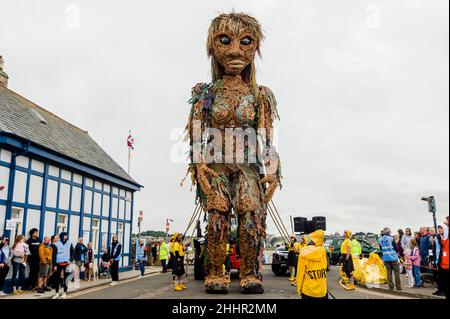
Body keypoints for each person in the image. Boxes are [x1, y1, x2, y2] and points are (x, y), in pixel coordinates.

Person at [296, 229, 328, 299]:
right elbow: (324, 269)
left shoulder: (303, 253)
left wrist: (299, 289)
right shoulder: (323, 251)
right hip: (322, 291)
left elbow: (300, 273)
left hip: (308, 291)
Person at [53, 232, 74, 299]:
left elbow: (72, 253)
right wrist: (54, 265)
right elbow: (54, 255)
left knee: (66, 278)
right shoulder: (56, 244)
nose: (66, 236)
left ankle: (64, 293)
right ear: (62, 236)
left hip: (67, 263)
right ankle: (56, 293)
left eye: (66, 235)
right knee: (57, 279)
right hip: (58, 263)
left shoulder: (69, 243)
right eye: (65, 235)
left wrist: (70, 260)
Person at [438, 217, 449, 298]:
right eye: (438, 228)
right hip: (442, 265)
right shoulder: (439, 239)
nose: (439, 230)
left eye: (441, 228)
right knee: (444, 286)